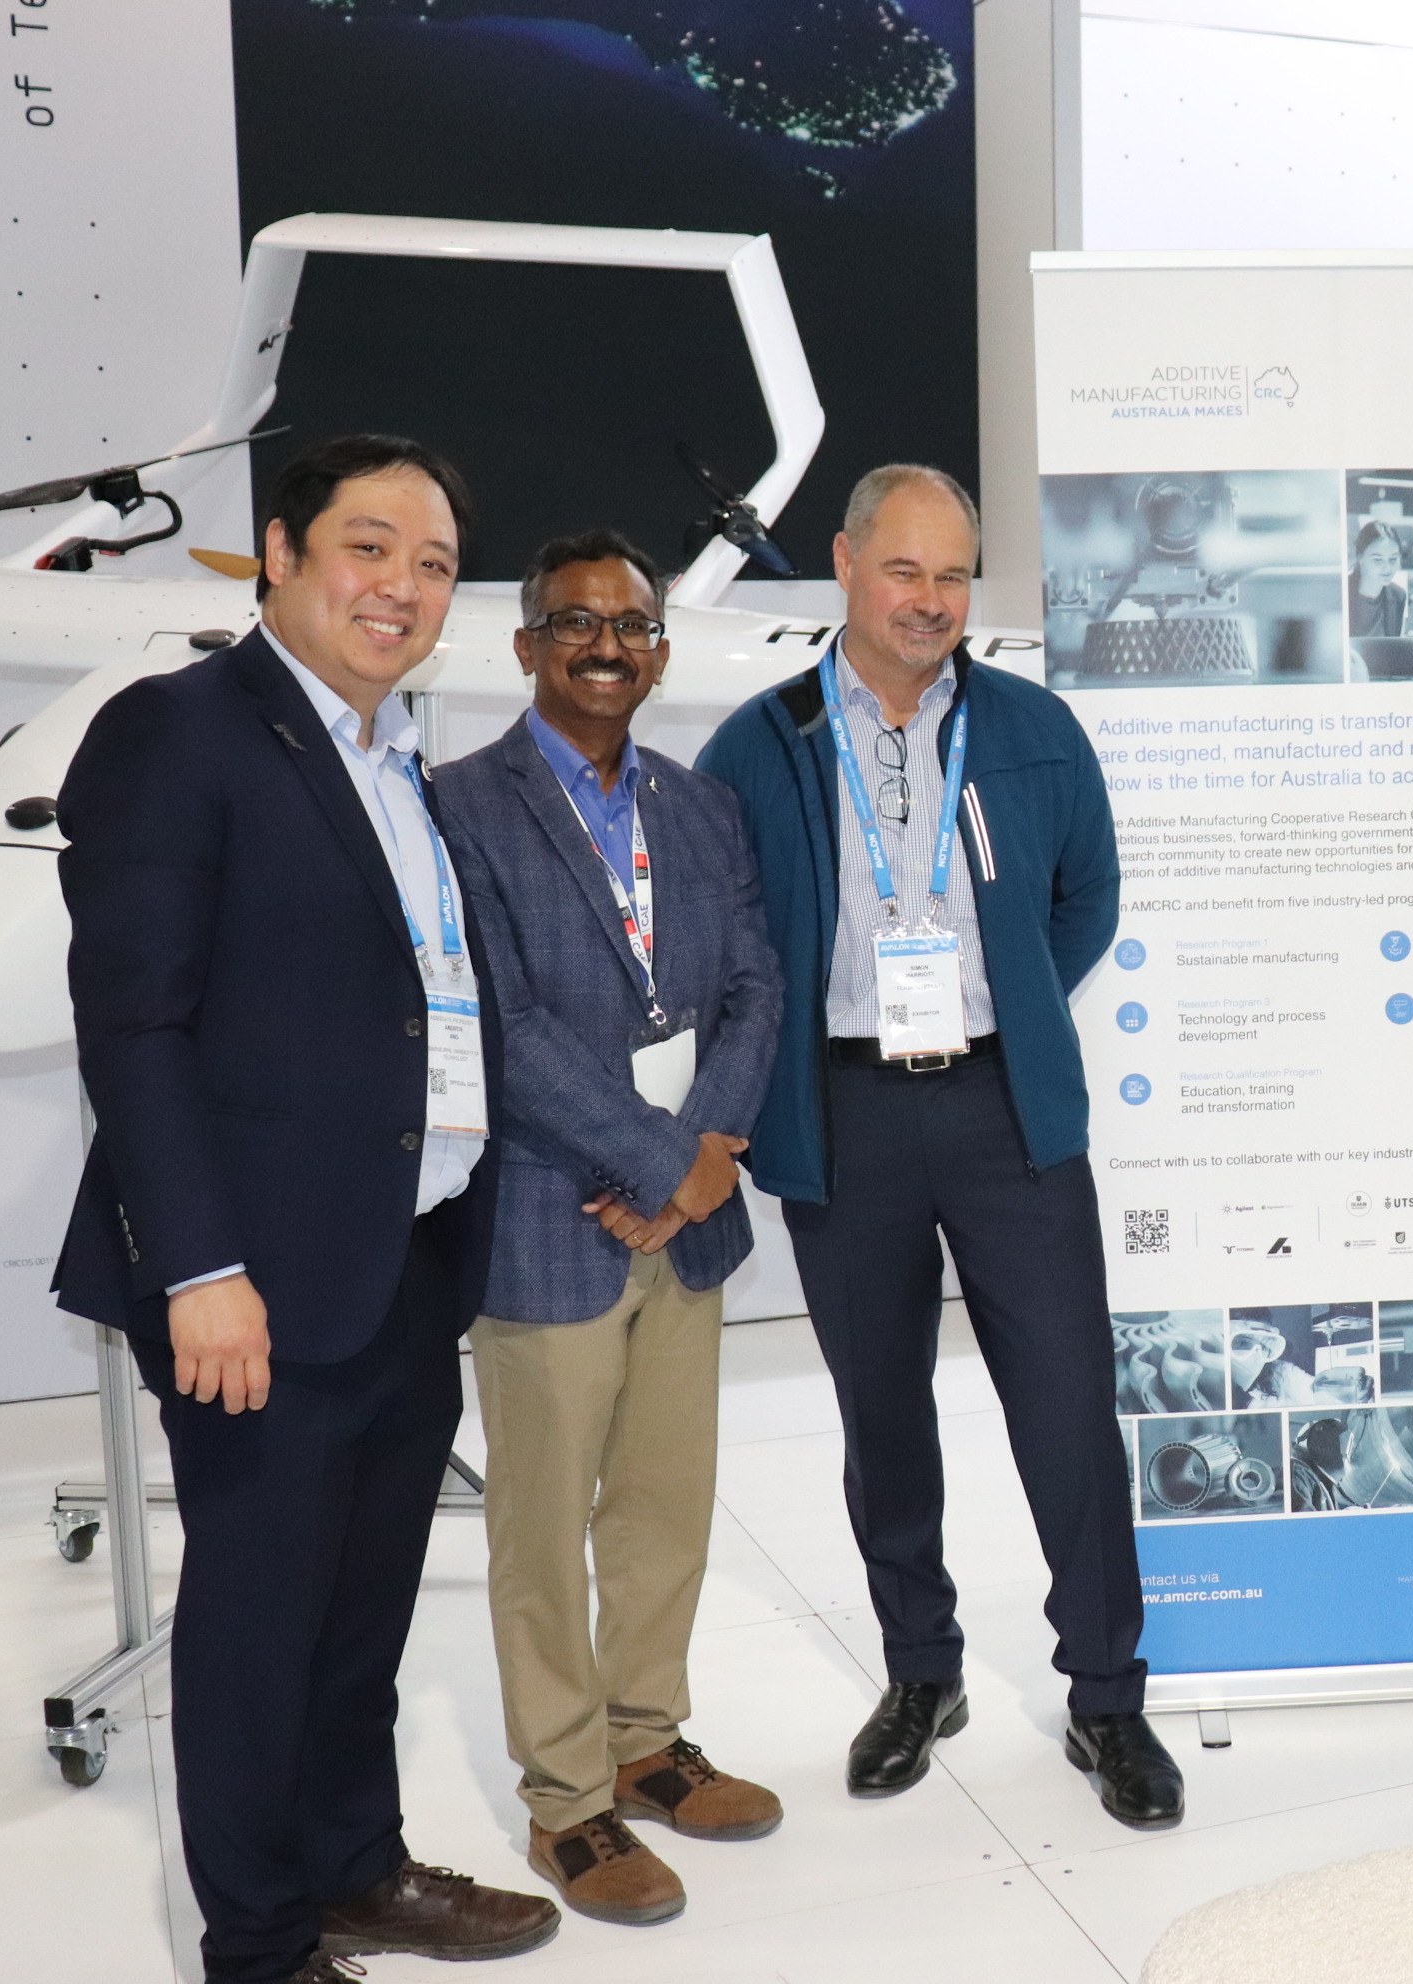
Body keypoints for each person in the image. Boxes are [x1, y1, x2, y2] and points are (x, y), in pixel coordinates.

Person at [52, 434, 558, 1984]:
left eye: (435, 563)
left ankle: (354, 1868)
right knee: (261, 1627)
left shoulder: (393, 757)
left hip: (405, 1254)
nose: (403, 585)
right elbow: (133, 1025)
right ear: (279, 552)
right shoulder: (179, 731)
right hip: (254, 1282)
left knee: (361, 1610)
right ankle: (261, 1947)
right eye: (369, 546)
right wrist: (197, 1264)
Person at [695, 463, 1183, 1827]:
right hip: (844, 1111)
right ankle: (922, 1672)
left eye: (954, 575)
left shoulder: (1033, 728)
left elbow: (1086, 896)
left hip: (1005, 1107)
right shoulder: (762, 742)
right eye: (905, 570)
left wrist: (1005, 999)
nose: (930, 599)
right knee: (884, 1413)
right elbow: (729, 937)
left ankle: (1107, 1697)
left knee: (1068, 1407)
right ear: (847, 565)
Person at [436, 530, 785, 1923]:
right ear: (527, 646)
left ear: (661, 650)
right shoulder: (459, 807)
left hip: (682, 1222)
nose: (605, 645)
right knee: (541, 1529)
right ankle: (567, 1802)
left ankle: (647, 1742)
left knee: (663, 1504)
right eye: (575, 622)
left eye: (631, 625)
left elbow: (754, 985)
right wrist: (661, 1160)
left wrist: (701, 1163)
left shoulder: (699, 808)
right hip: (548, 1216)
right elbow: (498, 1025)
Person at [1348, 519, 1411, 636]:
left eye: (1393, 559)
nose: (1387, 568)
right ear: (1360, 558)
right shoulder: (1344, 591)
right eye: (1378, 560)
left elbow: (1392, 643)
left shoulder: (1398, 595)